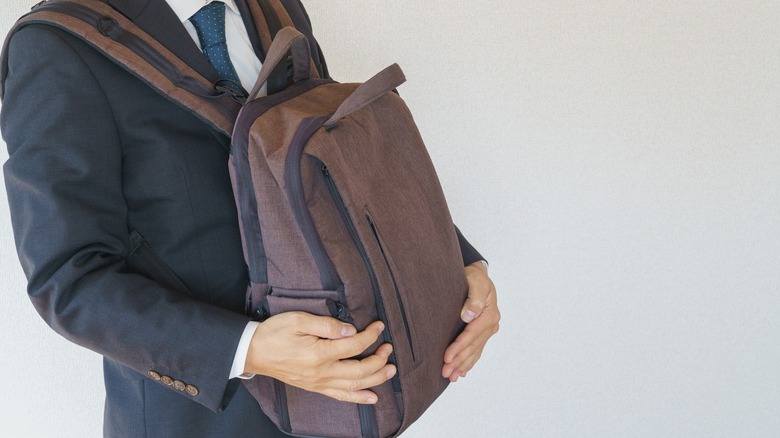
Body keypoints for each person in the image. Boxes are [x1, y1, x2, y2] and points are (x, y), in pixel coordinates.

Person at [1, 0, 500, 436]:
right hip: (203, 422)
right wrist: (250, 349)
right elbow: (69, 279)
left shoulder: (274, 6)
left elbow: (335, 167)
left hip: (343, 409)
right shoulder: (57, 47)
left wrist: (456, 265)